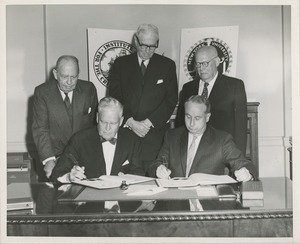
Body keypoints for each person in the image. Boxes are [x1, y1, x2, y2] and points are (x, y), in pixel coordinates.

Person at [109, 23, 178, 174]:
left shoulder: (167, 65)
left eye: (153, 46)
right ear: (135, 40)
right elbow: (115, 97)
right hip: (127, 135)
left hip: (154, 137)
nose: (148, 50)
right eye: (144, 45)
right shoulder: (121, 64)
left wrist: (148, 123)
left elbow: (171, 100)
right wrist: (130, 121)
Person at [149, 95, 257, 181]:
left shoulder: (222, 140)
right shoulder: (172, 137)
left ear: (207, 117)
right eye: (188, 116)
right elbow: (156, 163)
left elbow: (244, 164)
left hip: (207, 203)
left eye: (197, 118)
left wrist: (247, 173)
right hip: (176, 200)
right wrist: (158, 169)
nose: (191, 123)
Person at [32, 55, 98, 179]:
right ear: (55, 74)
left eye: (73, 77)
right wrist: (49, 160)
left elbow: (94, 126)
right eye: (64, 77)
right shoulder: (42, 93)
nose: (69, 82)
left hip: (84, 157)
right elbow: (40, 129)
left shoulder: (89, 89)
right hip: (56, 156)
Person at [50, 97, 144, 183]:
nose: (107, 128)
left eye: (113, 123)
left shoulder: (132, 140)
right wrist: (69, 177)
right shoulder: (79, 139)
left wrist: (129, 179)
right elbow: (56, 175)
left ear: (121, 121)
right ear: (97, 117)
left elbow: (139, 173)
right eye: (103, 122)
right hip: (89, 200)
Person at [176, 45, 247, 154]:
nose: (201, 68)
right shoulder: (187, 88)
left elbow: (240, 127)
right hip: (193, 153)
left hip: (222, 152)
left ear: (217, 61)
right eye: (198, 64)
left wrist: (238, 158)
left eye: (205, 63)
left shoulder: (235, 86)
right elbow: (180, 124)